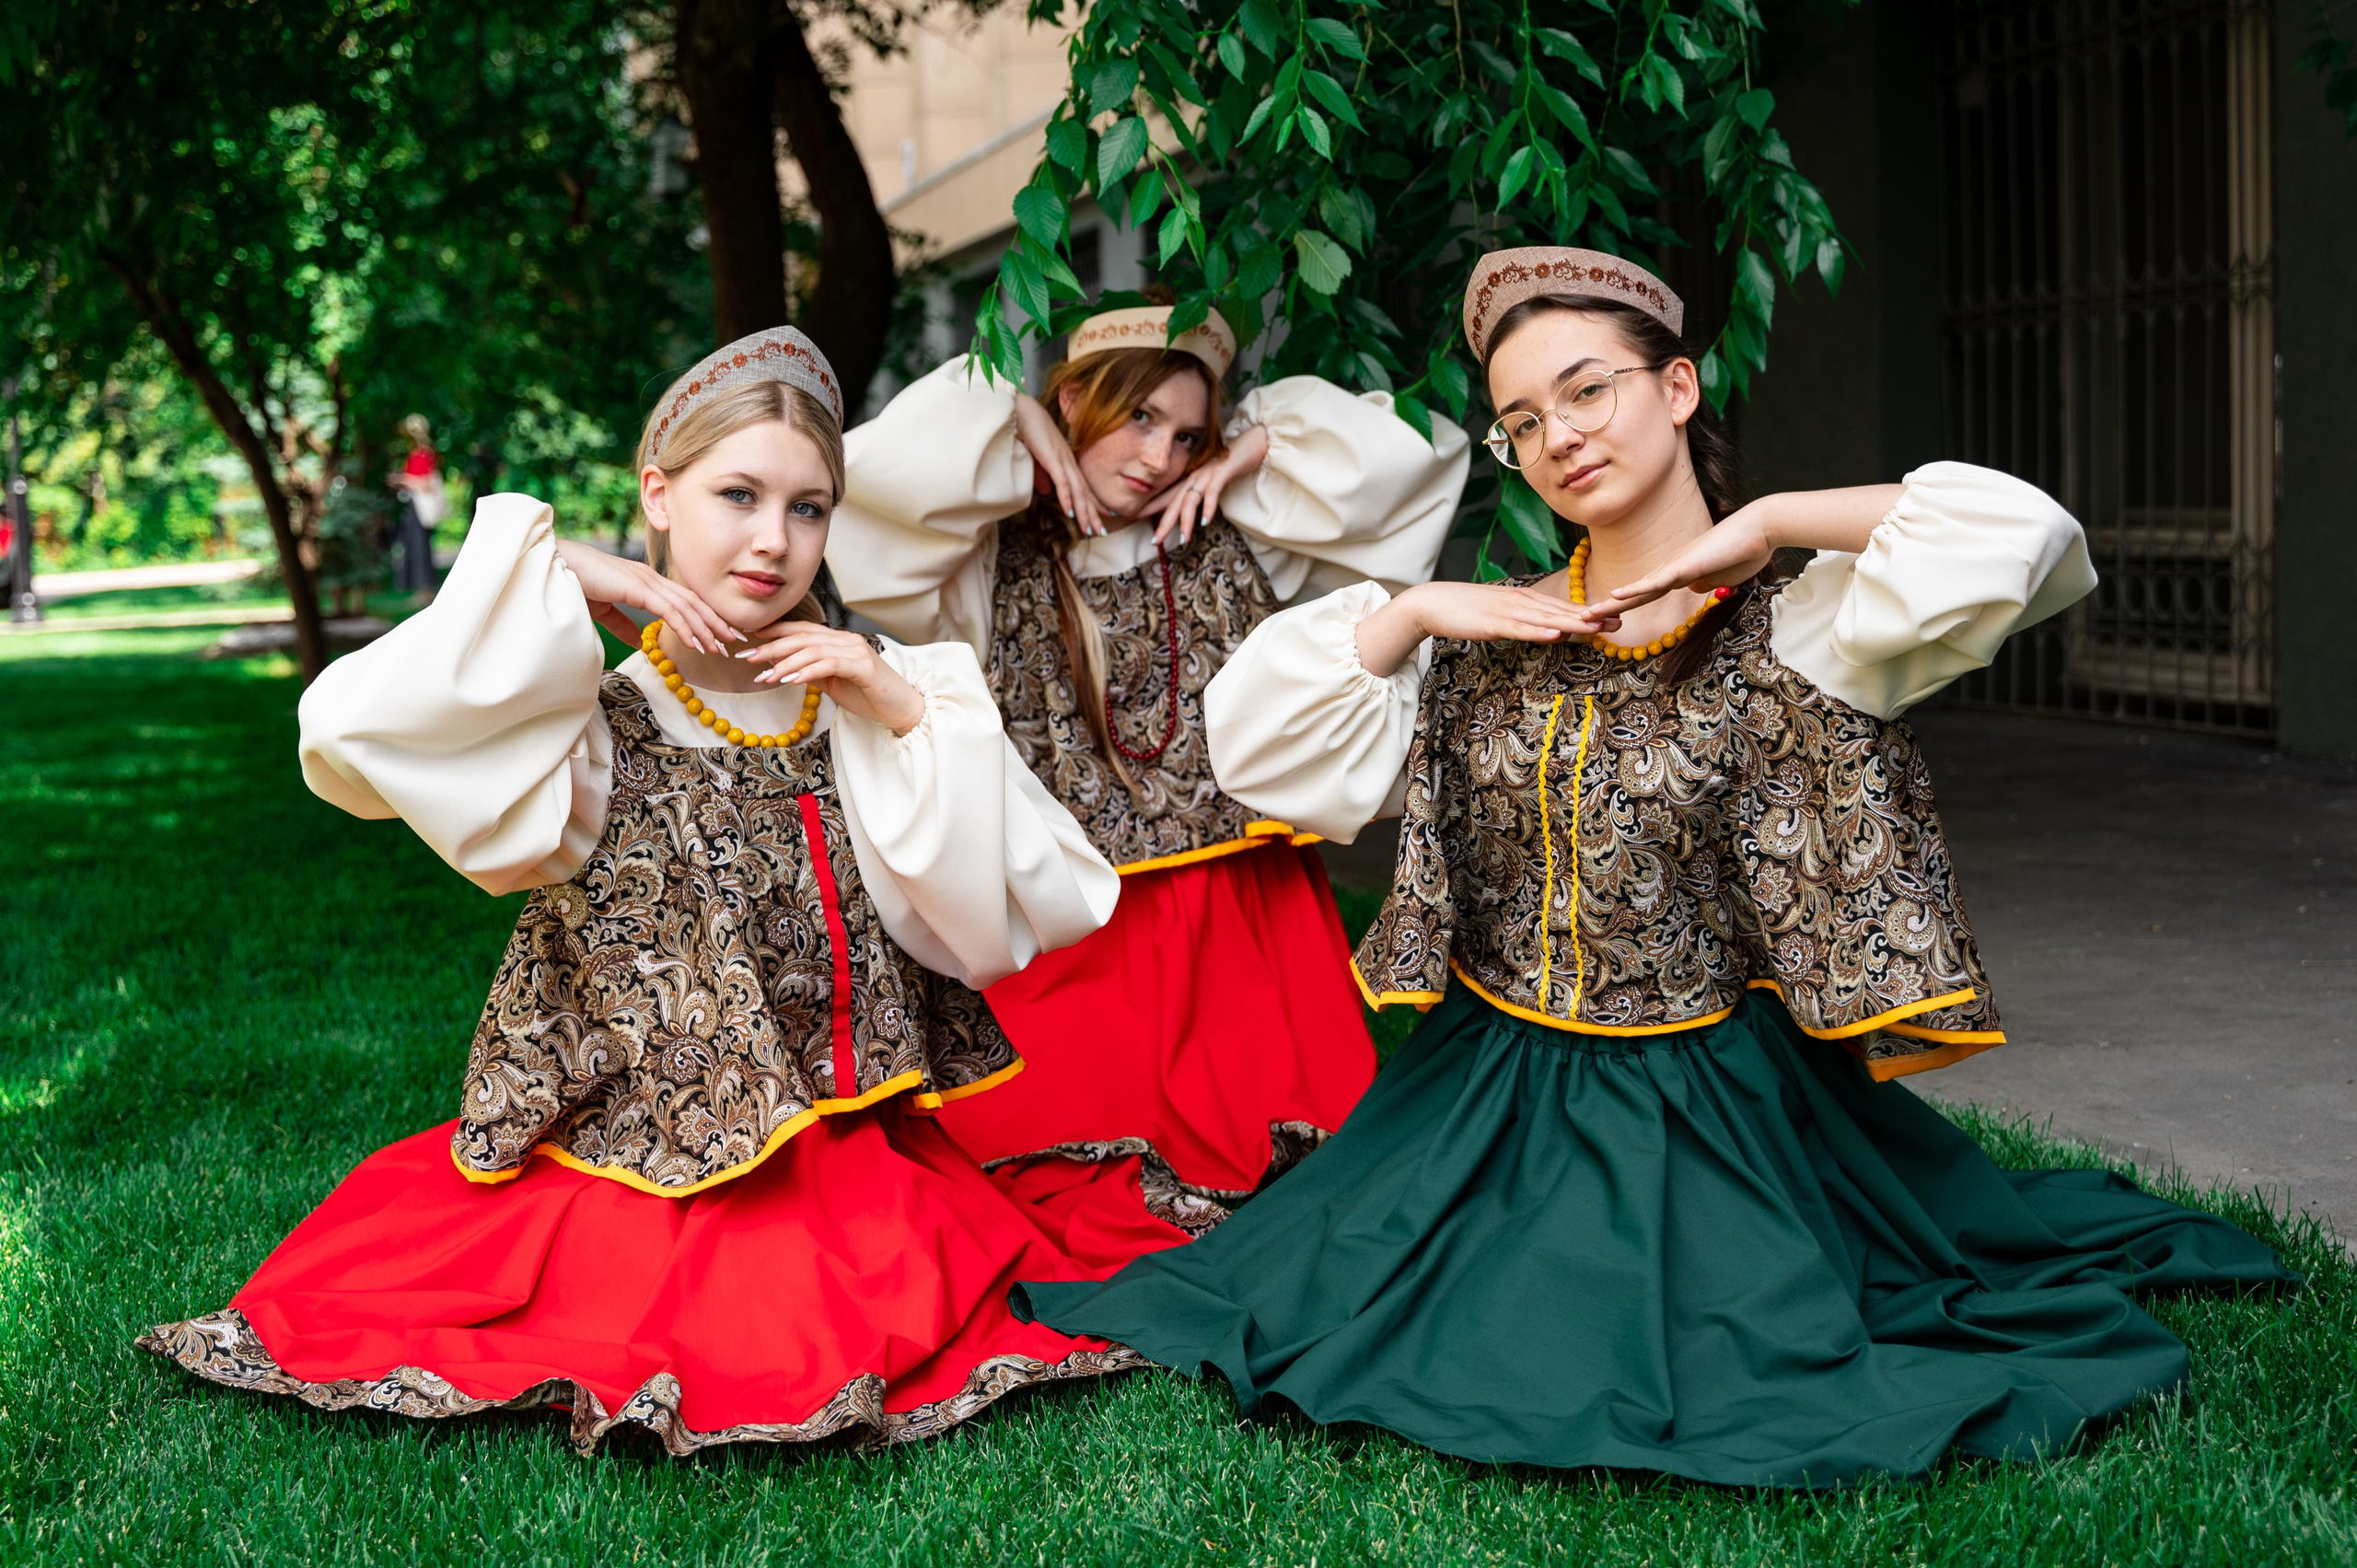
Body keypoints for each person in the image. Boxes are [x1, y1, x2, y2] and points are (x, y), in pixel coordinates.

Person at [1012, 250, 2295, 1487]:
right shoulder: (1488, 631)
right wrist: (1411, 611)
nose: (1559, 435)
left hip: (1706, 1101)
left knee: (1690, 1338)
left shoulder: (1803, 625)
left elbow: (2026, 534)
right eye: (1523, 420)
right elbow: (1262, 752)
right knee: (1331, 1289)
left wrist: (1769, 523)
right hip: (1483, 1089)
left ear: (1677, 387)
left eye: (1588, 389)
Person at [140, 329, 1183, 1456]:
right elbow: (348, 729)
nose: (772, 539)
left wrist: (898, 702)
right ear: (657, 495)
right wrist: (562, 570)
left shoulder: (863, 696)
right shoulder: (587, 722)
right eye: (738, 494)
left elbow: (1045, 888)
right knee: (738, 1312)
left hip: (856, 1154)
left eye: (808, 508)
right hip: (649, 1158)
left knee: (897, 1279)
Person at [827, 298, 1469, 1234]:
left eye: (1187, 435)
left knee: (1291, 1150)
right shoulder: (983, 554)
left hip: (1240, 919)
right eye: (1139, 417)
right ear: (1075, 401)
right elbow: (872, 477)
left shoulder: (1234, 523)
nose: (1161, 457)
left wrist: (1253, 451)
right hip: (1074, 921)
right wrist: (1016, 418)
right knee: (1045, 1161)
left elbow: (1420, 452)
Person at [389, 413, 447, 598]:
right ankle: (420, 590)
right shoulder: (416, 453)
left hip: (421, 505)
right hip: (413, 504)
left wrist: (401, 479)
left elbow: (425, 483)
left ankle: (426, 589)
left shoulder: (424, 453)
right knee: (413, 546)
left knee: (421, 547)